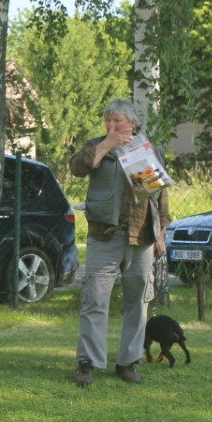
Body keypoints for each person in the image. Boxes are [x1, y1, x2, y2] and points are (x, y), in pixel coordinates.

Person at [69, 98, 171, 386]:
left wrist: (161, 233)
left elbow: (159, 197)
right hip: (105, 236)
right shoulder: (96, 146)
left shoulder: (149, 151)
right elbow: (77, 168)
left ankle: (128, 362)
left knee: (138, 302)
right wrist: (106, 145)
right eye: (108, 121)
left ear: (132, 124)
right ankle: (88, 363)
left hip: (142, 236)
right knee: (95, 300)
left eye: (118, 121)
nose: (112, 126)